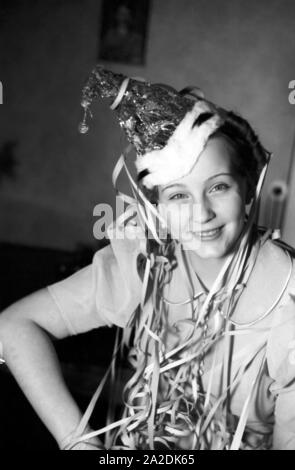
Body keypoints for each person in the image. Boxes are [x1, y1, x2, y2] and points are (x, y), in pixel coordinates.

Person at [0, 65, 295, 450]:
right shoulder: (145, 264)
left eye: (218, 187)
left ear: (250, 193)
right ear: (158, 208)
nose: (200, 213)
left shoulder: (288, 303)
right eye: (178, 195)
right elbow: (14, 325)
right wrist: (79, 443)